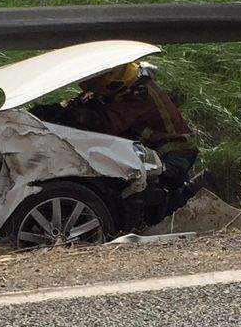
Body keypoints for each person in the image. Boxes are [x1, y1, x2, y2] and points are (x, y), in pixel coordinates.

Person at [40, 60, 202, 219]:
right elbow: (88, 100)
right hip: (153, 149)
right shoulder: (125, 81)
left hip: (175, 152)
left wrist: (76, 116)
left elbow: (107, 123)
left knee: (154, 196)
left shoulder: (139, 94)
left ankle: (195, 195)